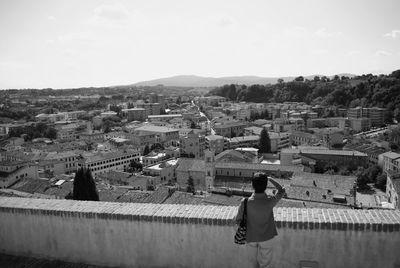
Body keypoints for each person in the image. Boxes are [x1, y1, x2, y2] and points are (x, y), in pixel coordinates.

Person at [235, 172, 285, 268]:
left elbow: (238, 220)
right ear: (265, 186)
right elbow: (282, 191)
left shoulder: (245, 202)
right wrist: (270, 179)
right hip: (267, 237)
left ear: (252, 185)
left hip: (251, 237)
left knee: (252, 263)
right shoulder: (270, 201)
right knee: (265, 265)